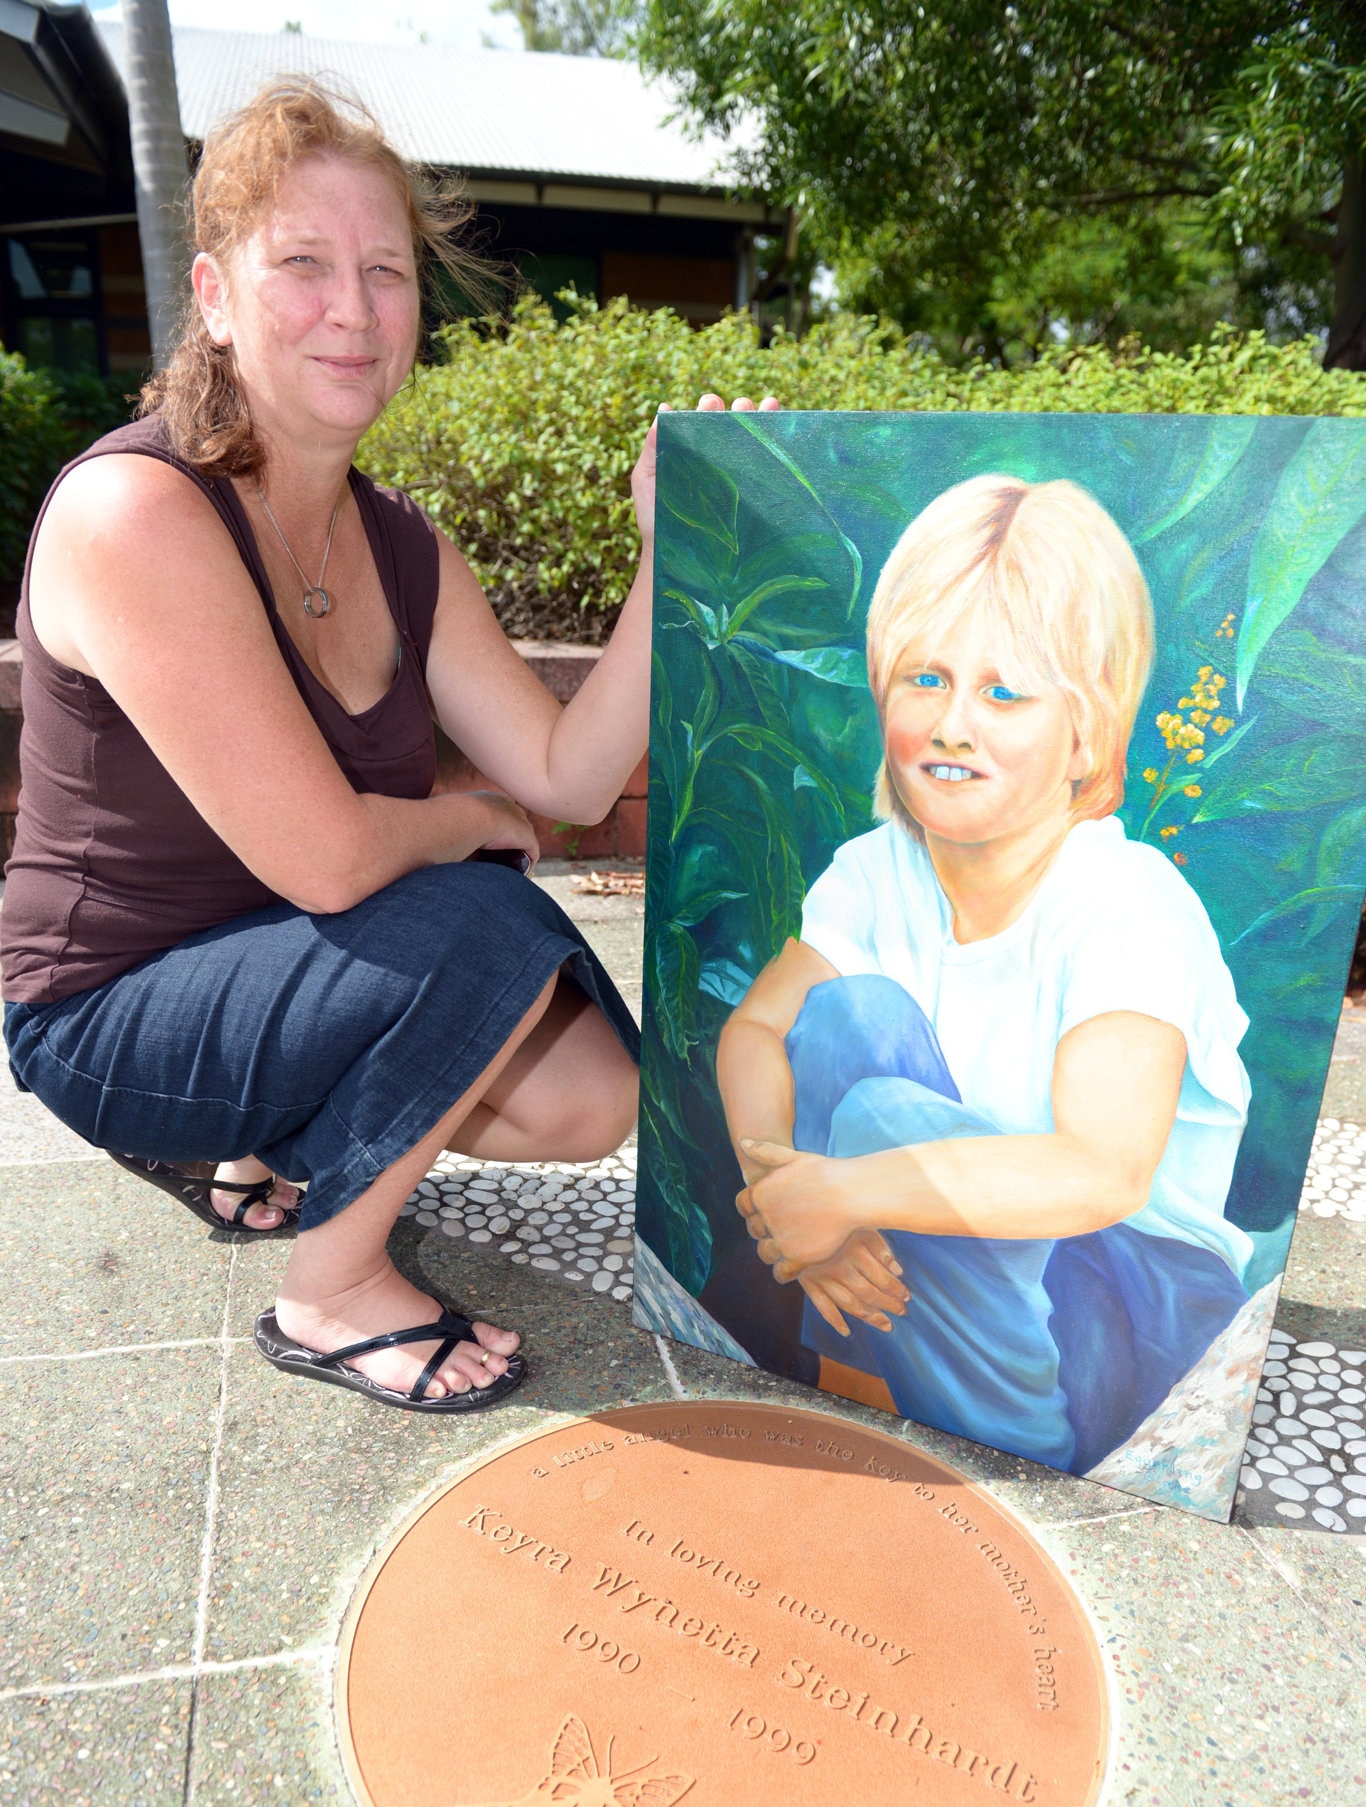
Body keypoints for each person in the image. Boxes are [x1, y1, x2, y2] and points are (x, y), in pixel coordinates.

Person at [0, 79, 774, 1413]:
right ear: (219, 296)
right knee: (481, 915)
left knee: (590, 1094)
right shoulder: (137, 514)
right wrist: (461, 823)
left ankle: (252, 1141)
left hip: (271, 973)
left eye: (384, 271)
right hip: (103, 1012)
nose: (354, 310)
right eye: (302, 265)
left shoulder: (405, 547)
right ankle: (332, 1286)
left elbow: (571, 777)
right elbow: (328, 857)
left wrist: (674, 544)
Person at [714, 474, 1252, 1473]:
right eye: (925, 678)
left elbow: (1102, 1169)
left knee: (872, 1113)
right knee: (842, 1025)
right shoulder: (878, 872)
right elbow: (753, 1031)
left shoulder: (1126, 904)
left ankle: (1012, 1446)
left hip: (1123, 1311)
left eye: (1003, 692)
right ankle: (865, 1396)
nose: (952, 723)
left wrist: (839, 1190)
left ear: (1085, 729)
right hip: (937, 1282)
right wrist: (788, 1197)